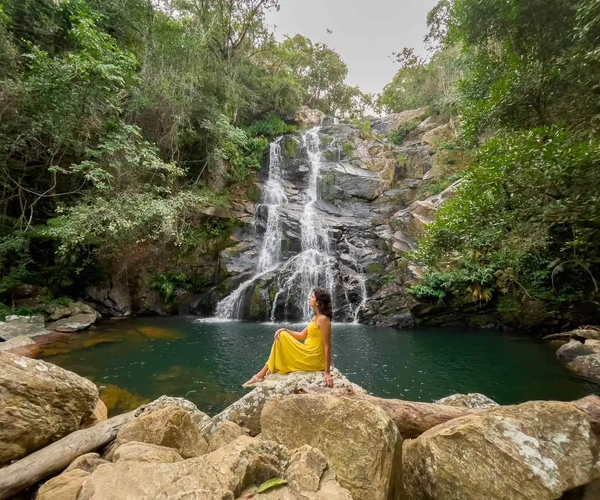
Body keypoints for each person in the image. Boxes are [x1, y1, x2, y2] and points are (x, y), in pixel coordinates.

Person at [243, 287, 334, 388]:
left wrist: (327, 372)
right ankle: (264, 372)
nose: (309, 298)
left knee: (281, 336)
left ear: (318, 302)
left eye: (312, 297)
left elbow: (327, 346)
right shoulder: (315, 317)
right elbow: (301, 335)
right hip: (307, 351)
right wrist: (285, 330)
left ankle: (261, 374)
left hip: (314, 357)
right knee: (281, 335)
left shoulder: (323, 320)